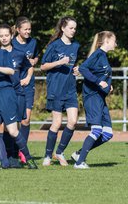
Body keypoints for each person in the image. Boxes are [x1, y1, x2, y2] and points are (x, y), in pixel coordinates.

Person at [0, 30, 37, 169]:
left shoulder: (4, 54)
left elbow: (11, 71)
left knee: (12, 131)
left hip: (5, 94)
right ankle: (4, 164)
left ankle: (29, 159)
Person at [70, 31, 116, 169]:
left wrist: (108, 83)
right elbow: (83, 68)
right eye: (114, 40)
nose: (116, 43)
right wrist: (98, 82)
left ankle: (79, 154)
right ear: (107, 40)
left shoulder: (104, 56)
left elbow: (99, 73)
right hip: (92, 97)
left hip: (101, 98)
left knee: (107, 133)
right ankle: (79, 163)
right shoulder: (97, 54)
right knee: (96, 130)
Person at [41, 16, 80, 166]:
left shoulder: (75, 46)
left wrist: (76, 71)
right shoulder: (54, 46)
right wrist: (59, 62)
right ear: (63, 28)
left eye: (75, 28)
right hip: (56, 89)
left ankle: (60, 152)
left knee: (73, 121)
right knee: (57, 123)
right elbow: (43, 66)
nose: (73, 31)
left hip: (70, 89)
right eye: (71, 28)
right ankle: (47, 155)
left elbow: (72, 65)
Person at [0, 24, 33, 167]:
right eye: (1, 36)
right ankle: (9, 155)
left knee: (17, 125)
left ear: (11, 36)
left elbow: (29, 67)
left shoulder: (19, 53)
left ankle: (17, 155)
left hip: (17, 93)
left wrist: (28, 78)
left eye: (6, 35)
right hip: (3, 94)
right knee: (6, 126)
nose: (4, 38)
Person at [12, 17, 39, 161]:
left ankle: (23, 151)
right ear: (17, 29)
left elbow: (35, 58)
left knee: (26, 120)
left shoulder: (33, 42)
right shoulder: (11, 43)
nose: (28, 32)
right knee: (14, 120)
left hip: (28, 84)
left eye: (29, 29)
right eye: (25, 29)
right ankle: (13, 150)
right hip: (14, 85)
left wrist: (34, 61)